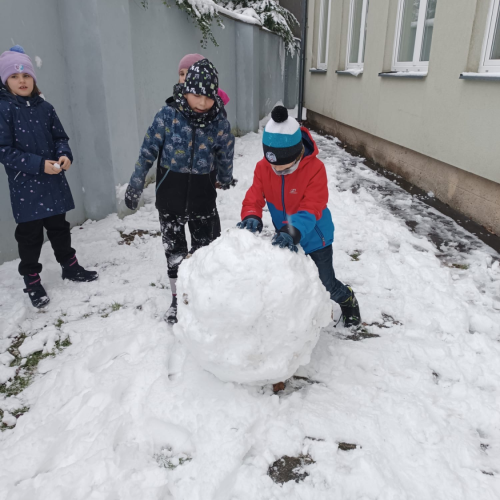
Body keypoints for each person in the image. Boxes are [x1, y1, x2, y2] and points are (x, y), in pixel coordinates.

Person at [125, 58, 235, 324]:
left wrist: (225, 177)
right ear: (185, 89)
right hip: (170, 198)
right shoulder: (168, 116)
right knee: (174, 253)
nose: (201, 102)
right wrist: (136, 184)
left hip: (203, 198)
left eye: (208, 97)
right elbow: (147, 151)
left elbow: (225, 153)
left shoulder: (219, 122)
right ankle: (177, 299)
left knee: (203, 252)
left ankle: (199, 297)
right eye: (196, 94)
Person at [237, 105, 361, 328]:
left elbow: (312, 206)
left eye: (284, 168)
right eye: (273, 166)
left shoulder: (315, 169)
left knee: (325, 284)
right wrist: (251, 215)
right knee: (291, 281)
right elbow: (254, 196)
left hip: (315, 238)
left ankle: (348, 299)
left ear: (297, 154)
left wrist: (292, 230)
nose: (277, 171)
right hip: (286, 236)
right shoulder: (264, 168)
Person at [0, 45, 98, 309]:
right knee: (30, 236)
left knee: (59, 228)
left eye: (26, 76)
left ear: (34, 79)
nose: (22, 81)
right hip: (26, 185)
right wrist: (38, 164)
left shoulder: (46, 108)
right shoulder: (4, 109)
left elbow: (60, 138)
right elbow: (4, 151)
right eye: (14, 77)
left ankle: (70, 266)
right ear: (5, 81)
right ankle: (32, 280)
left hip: (53, 181)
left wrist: (64, 155)